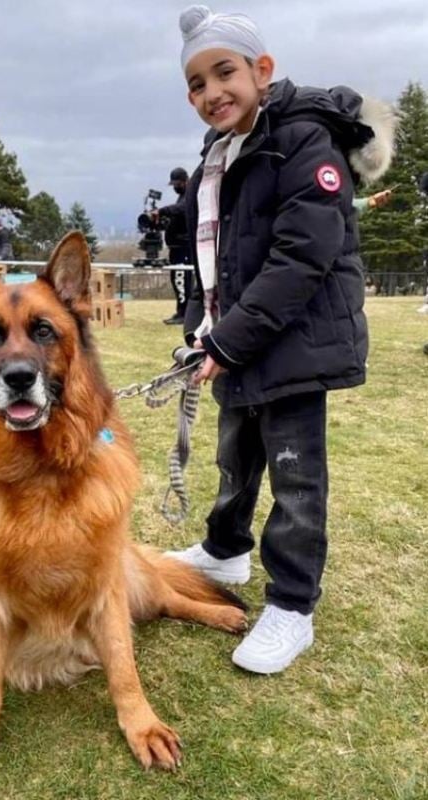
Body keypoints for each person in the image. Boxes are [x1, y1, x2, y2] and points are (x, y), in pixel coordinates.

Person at [165, 5, 395, 674]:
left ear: (262, 70)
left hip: (292, 344)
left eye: (223, 72)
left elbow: (301, 257)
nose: (211, 93)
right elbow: (217, 260)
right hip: (239, 341)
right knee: (234, 458)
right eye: (196, 84)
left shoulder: (302, 140)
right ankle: (225, 549)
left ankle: (292, 605)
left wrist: (228, 341)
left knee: (296, 480)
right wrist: (202, 334)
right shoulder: (219, 152)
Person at [157, 168, 194, 324]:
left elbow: (183, 209)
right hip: (176, 247)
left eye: (177, 183)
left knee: (182, 280)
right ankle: (181, 311)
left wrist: (163, 211)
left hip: (184, 247)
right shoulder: (181, 197)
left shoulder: (190, 196)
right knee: (177, 280)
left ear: (184, 181)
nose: (175, 187)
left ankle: (184, 314)